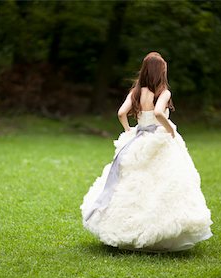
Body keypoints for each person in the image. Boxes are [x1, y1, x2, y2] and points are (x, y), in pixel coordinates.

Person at [80, 52, 213, 252]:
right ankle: (159, 233)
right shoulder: (164, 92)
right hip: (159, 139)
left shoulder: (136, 92)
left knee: (134, 183)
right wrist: (169, 130)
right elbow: (159, 112)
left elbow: (121, 113)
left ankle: (127, 229)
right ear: (160, 72)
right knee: (164, 180)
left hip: (139, 139)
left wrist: (128, 130)